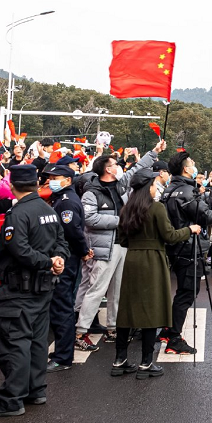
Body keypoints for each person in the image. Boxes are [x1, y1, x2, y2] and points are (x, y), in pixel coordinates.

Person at [0, 164, 68, 418]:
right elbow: (62, 241)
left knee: (14, 344)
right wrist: (58, 258)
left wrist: (50, 261)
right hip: (43, 287)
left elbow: (20, 250)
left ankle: (11, 399)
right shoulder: (47, 209)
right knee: (38, 342)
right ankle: (35, 389)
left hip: (20, 288)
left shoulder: (18, 213)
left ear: (13, 186)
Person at [112, 169, 200, 378]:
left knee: (127, 309)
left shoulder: (126, 209)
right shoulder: (156, 208)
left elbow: (122, 239)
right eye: (153, 184)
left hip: (132, 259)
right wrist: (190, 229)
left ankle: (120, 359)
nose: (156, 187)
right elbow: (169, 235)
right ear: (147, 187)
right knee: (151, 311)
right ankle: (145, 363)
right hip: (153, 260)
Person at [74, 145, 159, 349]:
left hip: (122, 245)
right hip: (104, 248)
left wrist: (154, 152)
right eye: (114, 164)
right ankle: (80, 332)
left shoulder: (121, 185)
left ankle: (112, 327)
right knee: (97, 290)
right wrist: (120, 220)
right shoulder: (91, 193)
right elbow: (90, 219)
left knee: (118, 290)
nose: (118, 166)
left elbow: (136, 169)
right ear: (107, 169)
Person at [158, 151, 212, 355]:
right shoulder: (187, 192)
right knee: (188, 292)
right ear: (185, 169)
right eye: (191, 163)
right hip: (189, 246)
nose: (194, 165)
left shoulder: (168, 189)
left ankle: (168, 329)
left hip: (175, 246)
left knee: (183, 290)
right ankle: (174, 337)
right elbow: (205, 216)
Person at [46, 164, 93, 373]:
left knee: (62, 307)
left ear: (67, 180)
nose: (51, 181)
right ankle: (61, 351)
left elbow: (72, 231)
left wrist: (83, 250)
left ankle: (63, 356)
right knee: (59, 305)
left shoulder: (67, 202)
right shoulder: (61, 199)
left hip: (66, 258)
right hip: (66, 256)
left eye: (55, 177)